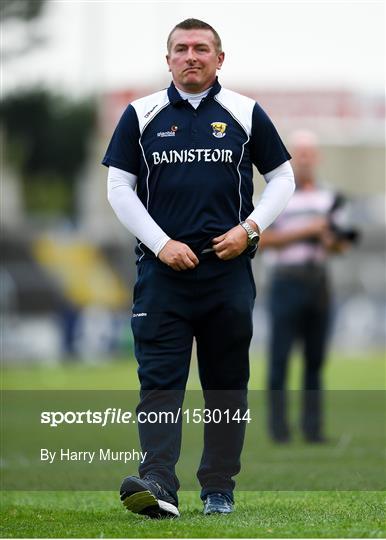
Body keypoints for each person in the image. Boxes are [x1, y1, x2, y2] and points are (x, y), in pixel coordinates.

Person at [102, 18, 295, 518]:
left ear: (219, 59)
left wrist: (249, 230)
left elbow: (282, 179)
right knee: (160, 384)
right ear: (167, 59)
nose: (192, 55)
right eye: (182, 48)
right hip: (161, 277)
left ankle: (218, 488)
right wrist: (162, 243)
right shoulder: (140, 114)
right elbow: (118, 188)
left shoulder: (245, 112)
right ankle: (159, 485)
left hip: (226, 277)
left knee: (226, 384)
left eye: (202, 48)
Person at [259, 129, 350, 444]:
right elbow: (261, 240)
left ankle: (313, 429)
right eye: (300, 154)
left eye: (310, 154)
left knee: (315, 360)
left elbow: (341, 247)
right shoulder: (276, 196)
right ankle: (279, 430)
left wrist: (329, 239)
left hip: (318, 281)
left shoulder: (330, 197)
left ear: (317, 157)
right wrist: (306, 230)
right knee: (279, 360)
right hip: (286, 280)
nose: (306, 160)